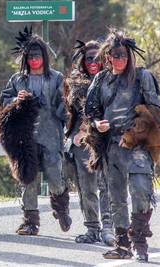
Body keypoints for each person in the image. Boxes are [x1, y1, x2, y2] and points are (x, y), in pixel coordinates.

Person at [85, 28, 160, 262]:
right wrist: (98, 124)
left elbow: (155, 111)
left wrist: (135, 132)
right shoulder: (101, 80)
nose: (120, 60)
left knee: (140, 191)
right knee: (116, 196)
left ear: (129, 56)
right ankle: (122, 244)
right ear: (108, 56)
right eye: (115, 56)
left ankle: (140, 242)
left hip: (136, 145)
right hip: (111, 145)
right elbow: (91, 110)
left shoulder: (142, 77)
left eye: (124, 56)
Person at [0, 26, 71, 236]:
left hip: (51, 135)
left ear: (44, 57)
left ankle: (61, 207)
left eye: (37, 56)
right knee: (27, 178)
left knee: (55, 176)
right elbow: (3, 103)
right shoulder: (17, 80)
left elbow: (66, 106)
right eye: (30, 57)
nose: (34, 60)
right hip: (25, 138)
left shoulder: (56, 78)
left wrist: (72, 128)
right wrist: (15, 100)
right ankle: (30, 221)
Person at [63, 40, 115, 246]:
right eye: (88, 59)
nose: (92, 62)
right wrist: (74, 134)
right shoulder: (75, 83)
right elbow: (71, 114)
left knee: (107, 186)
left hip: (106, 139)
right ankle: (92, 228)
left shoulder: (112, 80)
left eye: (96, 58)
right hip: (82, 144)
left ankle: (109, 228)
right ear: (82, 61)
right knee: (87, 188)